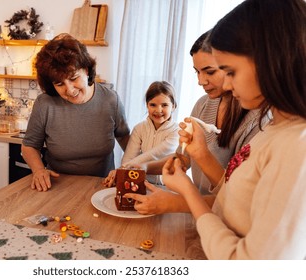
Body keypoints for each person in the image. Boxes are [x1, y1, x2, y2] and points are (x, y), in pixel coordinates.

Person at [160, 0, 306, 259]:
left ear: (270, 61)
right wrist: (186, 182)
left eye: (230, 71)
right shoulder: (272, 131)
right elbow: (229, 204)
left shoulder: (296, 144)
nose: (225, 85)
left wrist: (185, 192)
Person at [123, 30, 268, 215]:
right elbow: (183, 158)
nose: (200, 81)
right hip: (199, 214)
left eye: (209, 72)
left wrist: (175, 202)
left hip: (227, 220)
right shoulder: (203, 104)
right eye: (197, 72)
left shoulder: (259, 121)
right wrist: (146, 167)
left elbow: (239, 197)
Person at [22, 33, 130, 192]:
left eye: (73, 78)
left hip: (103, 185)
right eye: (60, 84)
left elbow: (125, 138)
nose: (70, 90)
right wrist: (38, 170)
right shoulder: (45, 104)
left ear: (86, 70)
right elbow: (29, 146)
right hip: (57, 187)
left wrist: (130, 167)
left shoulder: (110, 100)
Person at [103, 81, 179, 186]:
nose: (158, 110)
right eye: (153, 105)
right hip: (143, 183)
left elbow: (154, 154)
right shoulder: (139, 129)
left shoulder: (177, 132)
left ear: (174, 106)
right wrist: (122, 171)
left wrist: (122, 168)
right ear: (147, 105)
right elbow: (128, 157)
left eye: (164, 105)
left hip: (169, 186)